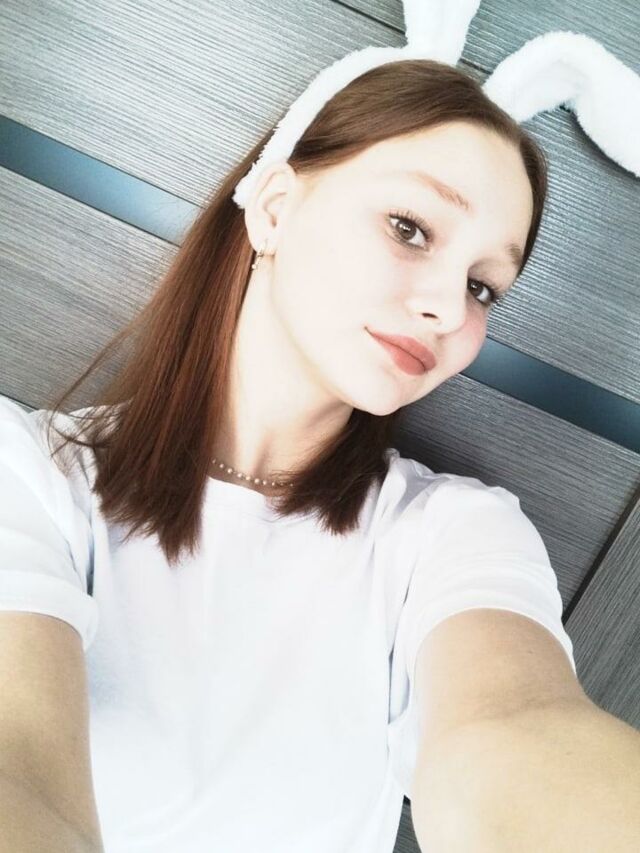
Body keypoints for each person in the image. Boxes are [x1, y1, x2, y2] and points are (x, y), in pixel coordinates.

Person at [2, 1, 639, 851]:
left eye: (483, 285)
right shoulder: (28, 475)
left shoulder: (451, 534)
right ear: (273, 206)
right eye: (410, 228)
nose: (449, 309)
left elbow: (515, 729)